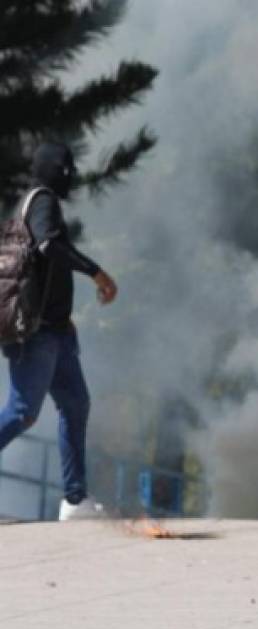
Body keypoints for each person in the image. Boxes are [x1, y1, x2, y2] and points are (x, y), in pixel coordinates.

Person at [0, 142, 118, 520]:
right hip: (36, 333)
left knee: (75, 404)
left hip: (57, 331)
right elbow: (50, 244)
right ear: (54, 169)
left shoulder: (40, 202)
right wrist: (96, 272)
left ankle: (75, 499)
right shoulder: (43, 200)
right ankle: (74, 497)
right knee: (22, 413)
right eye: (66, 168)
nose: (71, 176)